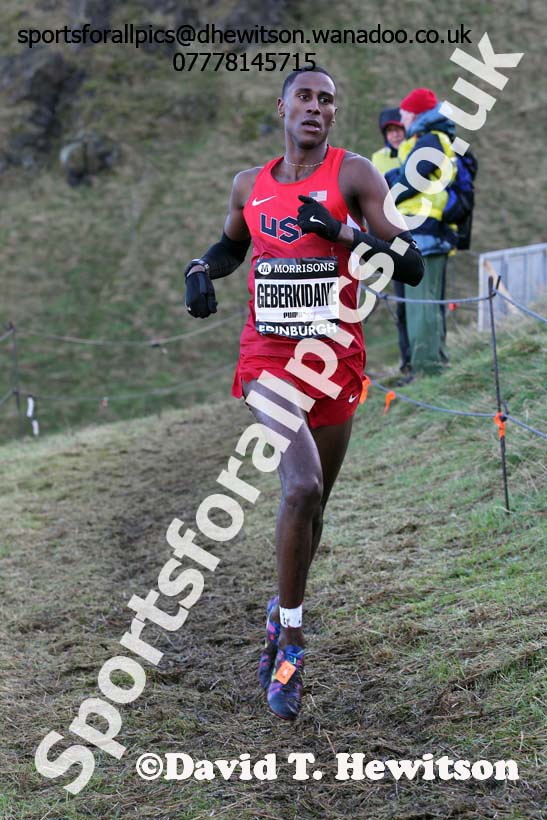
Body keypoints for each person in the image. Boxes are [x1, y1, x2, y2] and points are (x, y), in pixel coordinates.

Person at [184, 67, 423, 720]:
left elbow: (411, 261)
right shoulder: (248, 186)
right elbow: (231, 247)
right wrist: (200, 269)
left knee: (313, 512)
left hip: (334, 359)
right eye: (305, 97)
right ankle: (290, 640)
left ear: (331, 115)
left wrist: (346, 234)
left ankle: (280, 607)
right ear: (282, 107)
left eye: (326, 100)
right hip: (267, 358)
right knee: (300, 488)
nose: (315, 107)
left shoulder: (355, 177)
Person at [384, 87, 458, 375]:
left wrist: (388, 194)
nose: (400, 118)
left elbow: (415, 178)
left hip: (424, 229)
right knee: (423, 302)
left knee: (422, 304)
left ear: (414, 113)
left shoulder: (429, 139)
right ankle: (430, 362)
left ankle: (428, 368)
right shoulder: (431, 138)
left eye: (403, 112)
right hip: (424, 230)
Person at [371, 108, 411, 374]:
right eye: (390, 131)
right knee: (404, 304)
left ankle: (428, 356)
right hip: (394, 241)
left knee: (425, 303)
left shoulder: (416, 151)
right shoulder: (377, 160)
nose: (395, 135)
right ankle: (407, 362)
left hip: (419, 233)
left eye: (398, 129)